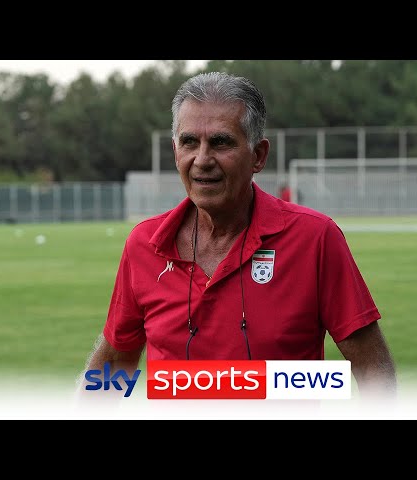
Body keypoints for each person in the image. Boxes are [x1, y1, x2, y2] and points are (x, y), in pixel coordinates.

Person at [80, 71, 396, 401]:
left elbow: (373, 368)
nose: (202, 160)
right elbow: (115, 365)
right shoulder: (144, 245)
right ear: (175, 151)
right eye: (189, 142)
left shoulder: (315, 238)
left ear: (258, 155)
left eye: (221, 142)